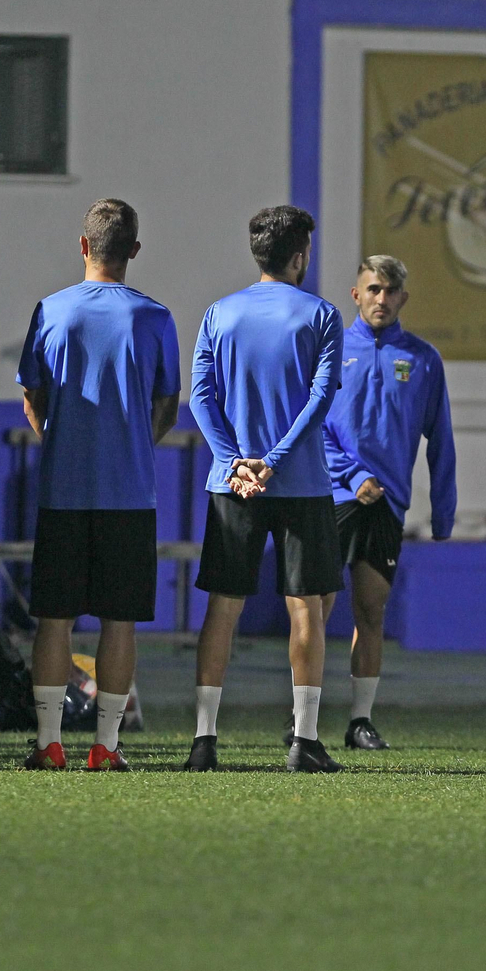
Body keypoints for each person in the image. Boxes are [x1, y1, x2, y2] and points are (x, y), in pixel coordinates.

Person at [17, 199, 180, 772]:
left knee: (54, 619)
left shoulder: (51, 310)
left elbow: (32, 396)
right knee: (119, 620)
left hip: (63, 489)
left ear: (84, 246)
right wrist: (132, 444)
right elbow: (166, 406)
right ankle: (106, 746)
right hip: (129, 493)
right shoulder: (154, 317)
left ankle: (49, 742)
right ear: (133, 249)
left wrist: (59, 441)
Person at [186, 205, 345, 774]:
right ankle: (305, 740)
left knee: (222, 608)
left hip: (232, 484)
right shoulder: (322, 315)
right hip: (300, 483)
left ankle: (204, 739)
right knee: (307, 609)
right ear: (301, 255)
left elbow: (200, 396)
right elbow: (319, 399)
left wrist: (234, 461)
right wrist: (273, 463)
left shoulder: (219, 313)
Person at [319, 255, 456, 750]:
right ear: (356, 294)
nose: (382, 298)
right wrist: (353, 475)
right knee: (314, 609)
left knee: (371, 612)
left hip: (386, 504)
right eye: (373, 289)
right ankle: (302, 718)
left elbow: (441, 440)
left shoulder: (423, 359)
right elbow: (312, 427)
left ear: (403, 298)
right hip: (332, 496)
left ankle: (360, 721)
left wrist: (443, 512)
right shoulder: (330, 351)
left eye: (391, 290)